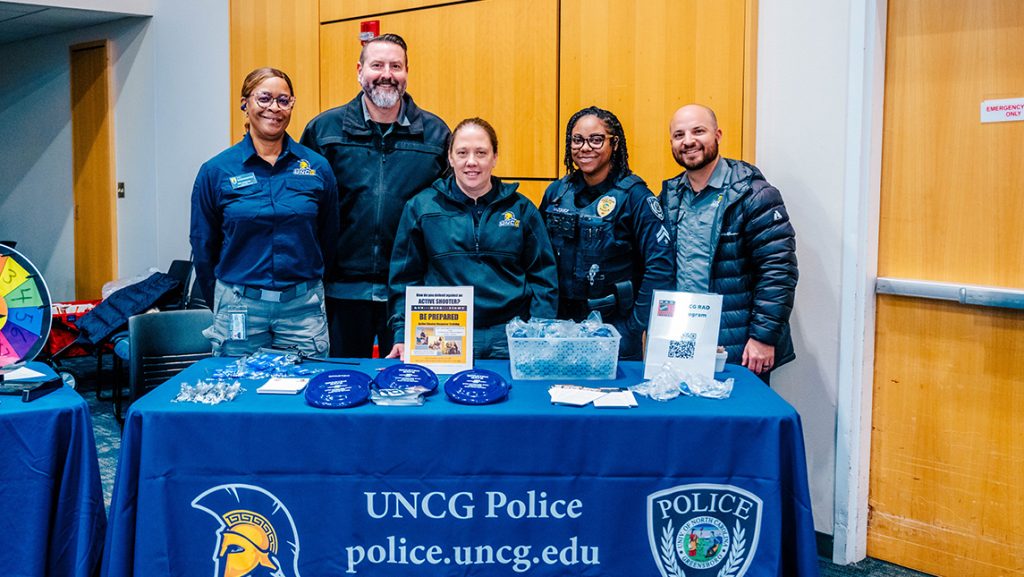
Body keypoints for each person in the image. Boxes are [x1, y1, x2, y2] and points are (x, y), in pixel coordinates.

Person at [300, 33, 450, 358]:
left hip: (410, 291)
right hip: (341, 291)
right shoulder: (324, 131)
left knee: (410, 382)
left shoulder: (436, 135)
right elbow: (305, 210)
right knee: (342, 380)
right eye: (377, 65)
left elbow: (449, 214)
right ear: (360, 70)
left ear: (407, 72)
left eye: (396, 66)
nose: (387, 74)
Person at [190, 67, 338, 357]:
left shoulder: (317, 168)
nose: (274, 108)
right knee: (238, 383)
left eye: (283, 100)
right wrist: (222, 299)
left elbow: (329, 237)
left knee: (305, 383)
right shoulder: (216, 171)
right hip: (239, 306)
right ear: (245, 103)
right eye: (264, 98)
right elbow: (203, 245)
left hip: (302, 309)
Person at [386, 118, 558, 360]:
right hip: (442, 332)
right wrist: (402, 332)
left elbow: (544, 278)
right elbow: (405, 278)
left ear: (495, 157)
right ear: (450, 157)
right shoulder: (421, 208)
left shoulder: (521, 209)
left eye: (481, 153)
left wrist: (539, 332)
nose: (471, 162)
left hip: (511, 334)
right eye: (462, 152)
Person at [660, 104, 798, 380]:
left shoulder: (754, 194)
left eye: (698, 131)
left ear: (718, 135)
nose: (688, 141)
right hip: (683, 336)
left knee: (737, 409)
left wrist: (763, 337)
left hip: (739, 344)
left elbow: (778, 270)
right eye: (679, 135)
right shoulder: (669, 196)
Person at [540, 106, 673, 359]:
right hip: (561, 327)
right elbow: (538, 259)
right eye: (577, 140)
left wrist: (634, 327)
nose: (585, 147)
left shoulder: (635, 197)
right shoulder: (556, 193)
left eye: (596, 139)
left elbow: (660, 267)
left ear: (614, 143)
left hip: (615, 329)